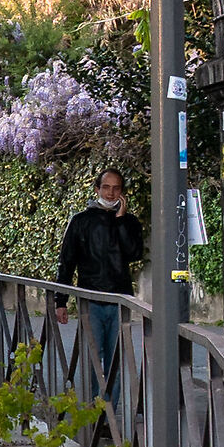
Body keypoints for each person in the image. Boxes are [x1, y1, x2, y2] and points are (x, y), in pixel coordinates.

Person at [56, 166, 144, 406]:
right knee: (95, 359)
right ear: (97, 189)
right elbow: (67, 261)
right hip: (90, 298)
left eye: (116, 188)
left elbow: (135, 253)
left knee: (116, 359)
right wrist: (60, 301)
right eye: (106, 187)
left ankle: (108, 415)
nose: (111, 193)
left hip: (119, 299)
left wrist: (121, 221)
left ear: (122, 192)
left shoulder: (130, 222)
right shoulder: (80, 221)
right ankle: (97, 409)